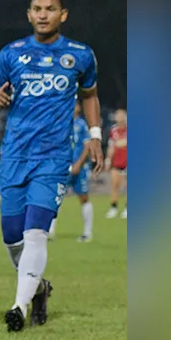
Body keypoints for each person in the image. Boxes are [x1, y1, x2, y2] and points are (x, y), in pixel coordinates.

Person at [0, 0, 103, 333]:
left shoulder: (80, 55)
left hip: (53, 158)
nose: (43, 14)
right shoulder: (11, 53)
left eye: (50, 9)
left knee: (36, 232)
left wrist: (95, 135)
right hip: (15, 155)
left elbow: (91, 95)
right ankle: (39, 288)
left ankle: (18, 307)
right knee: (12, 237)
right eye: (37, 9)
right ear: (29, 14)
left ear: (62, 15)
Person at [49, 101, 96, 242]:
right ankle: (50, 232)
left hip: (78, 167)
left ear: (78, 108)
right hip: (62, 167)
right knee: (54, 198)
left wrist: (78, 164)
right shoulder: (60, 123)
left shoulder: (82, 124)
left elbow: (87, 146)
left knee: (83, 197)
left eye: (74, 105)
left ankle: (87, 232)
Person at [104, 109, 127, 219]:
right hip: (117, 161)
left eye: (121, 115)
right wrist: (108, 159)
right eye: (117, 115)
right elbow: (111, 146)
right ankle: (113, 207)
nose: (119, 117)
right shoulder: (113, 130)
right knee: (114, 185)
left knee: (127, 186)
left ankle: (127, 208)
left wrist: (120, 143)